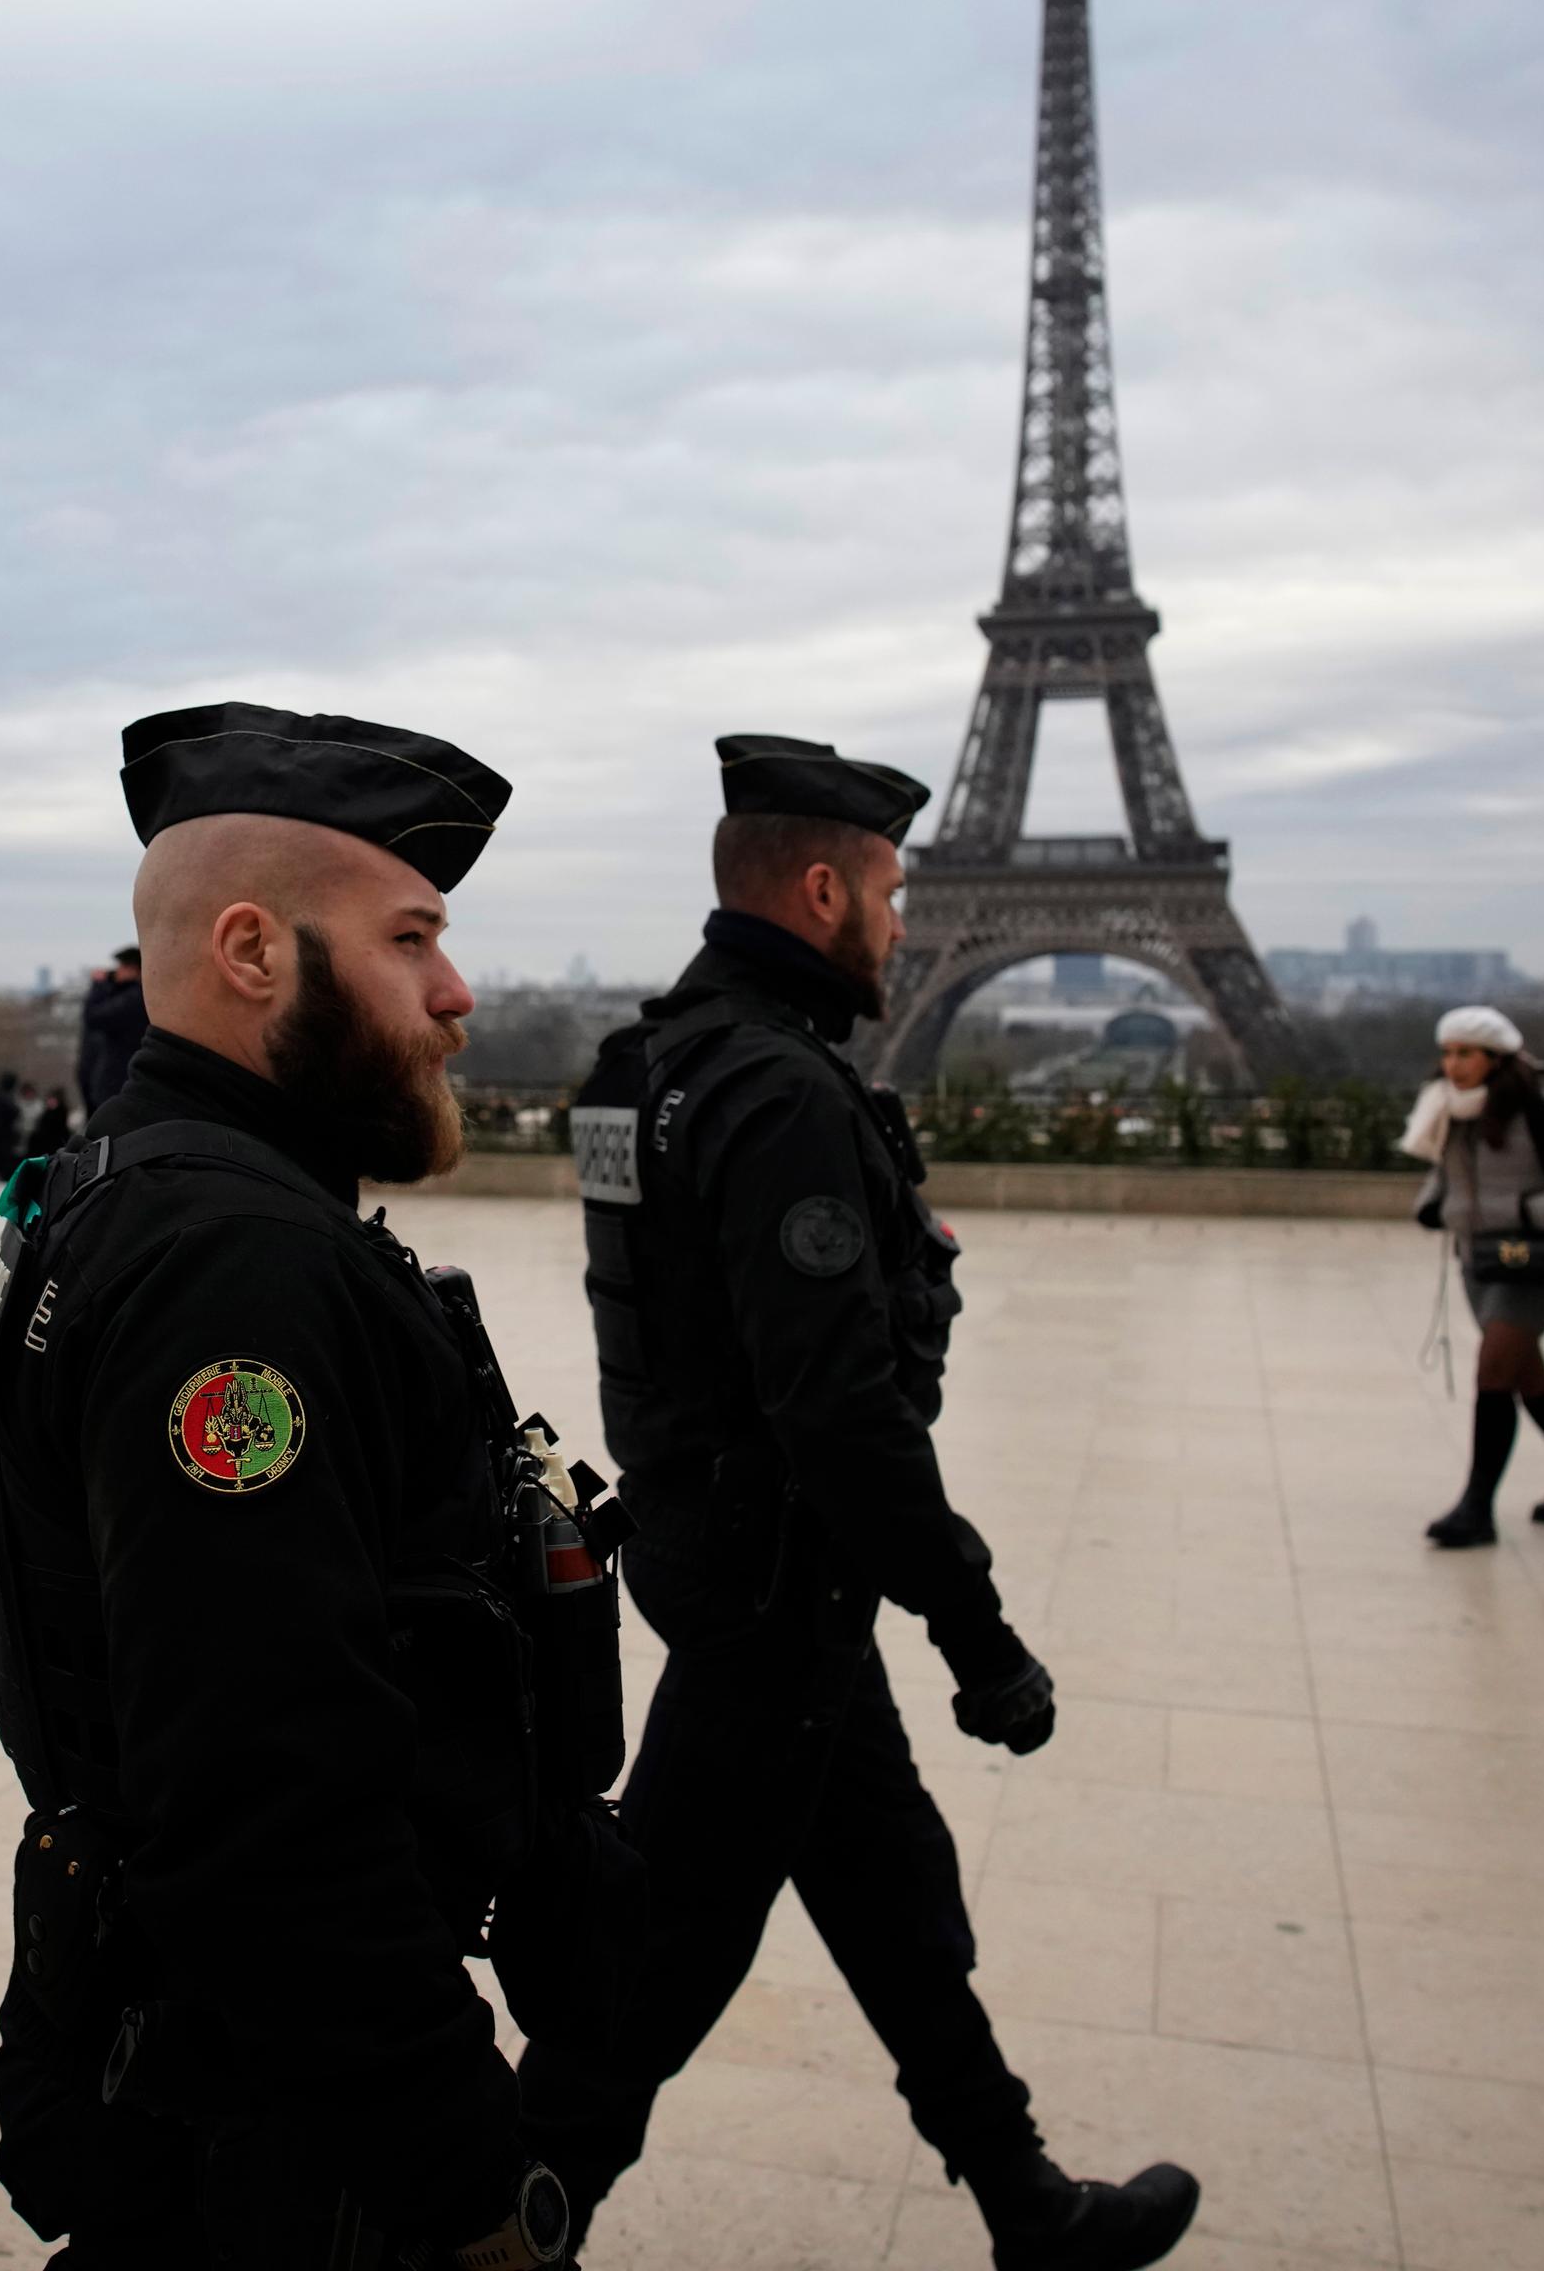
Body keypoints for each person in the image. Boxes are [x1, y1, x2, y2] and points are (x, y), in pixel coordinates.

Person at [527, 734, 1196, 2269]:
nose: (901, 926)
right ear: (822, 888)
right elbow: (839, 1411)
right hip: (778, 1593)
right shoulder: (782, 1092)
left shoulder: (655, 1066)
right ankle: (507, 2231)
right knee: (657, 1966)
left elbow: (675, 1332)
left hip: (726, 1560)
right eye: (889, 895)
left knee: (891, 1900)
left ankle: (1025, 2200)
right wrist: (978, 1628)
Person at [0, 701, 587, 2267]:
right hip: (282, 2120)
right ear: (254, 954)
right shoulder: (235, 1269)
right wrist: (465, 2183)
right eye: (410, 941)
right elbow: (268, 1799)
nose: (456, 995)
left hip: (227, 2056)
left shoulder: (145, 1192)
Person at [1400, 1005, 1544, 1547]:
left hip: (1530, 1253)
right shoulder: (1447, 1110)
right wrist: (1431, 1205)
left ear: (1497, 1059)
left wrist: (1530, 1213)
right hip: (1477, 1256)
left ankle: (1477, 1507)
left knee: (1493, 1370)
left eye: (1466, 1053)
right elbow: (1444, 1171)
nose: (1454, 1065)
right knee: (1526, 1375)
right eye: (1448, 1053)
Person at [77, 944, 148, 1114]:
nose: (117, 972)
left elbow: (93, 1017)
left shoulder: (132, 998)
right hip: (116, 1079)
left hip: (116, 1081)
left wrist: (98, 986)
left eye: (122, 967)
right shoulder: (131, 996)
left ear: (134, 969)